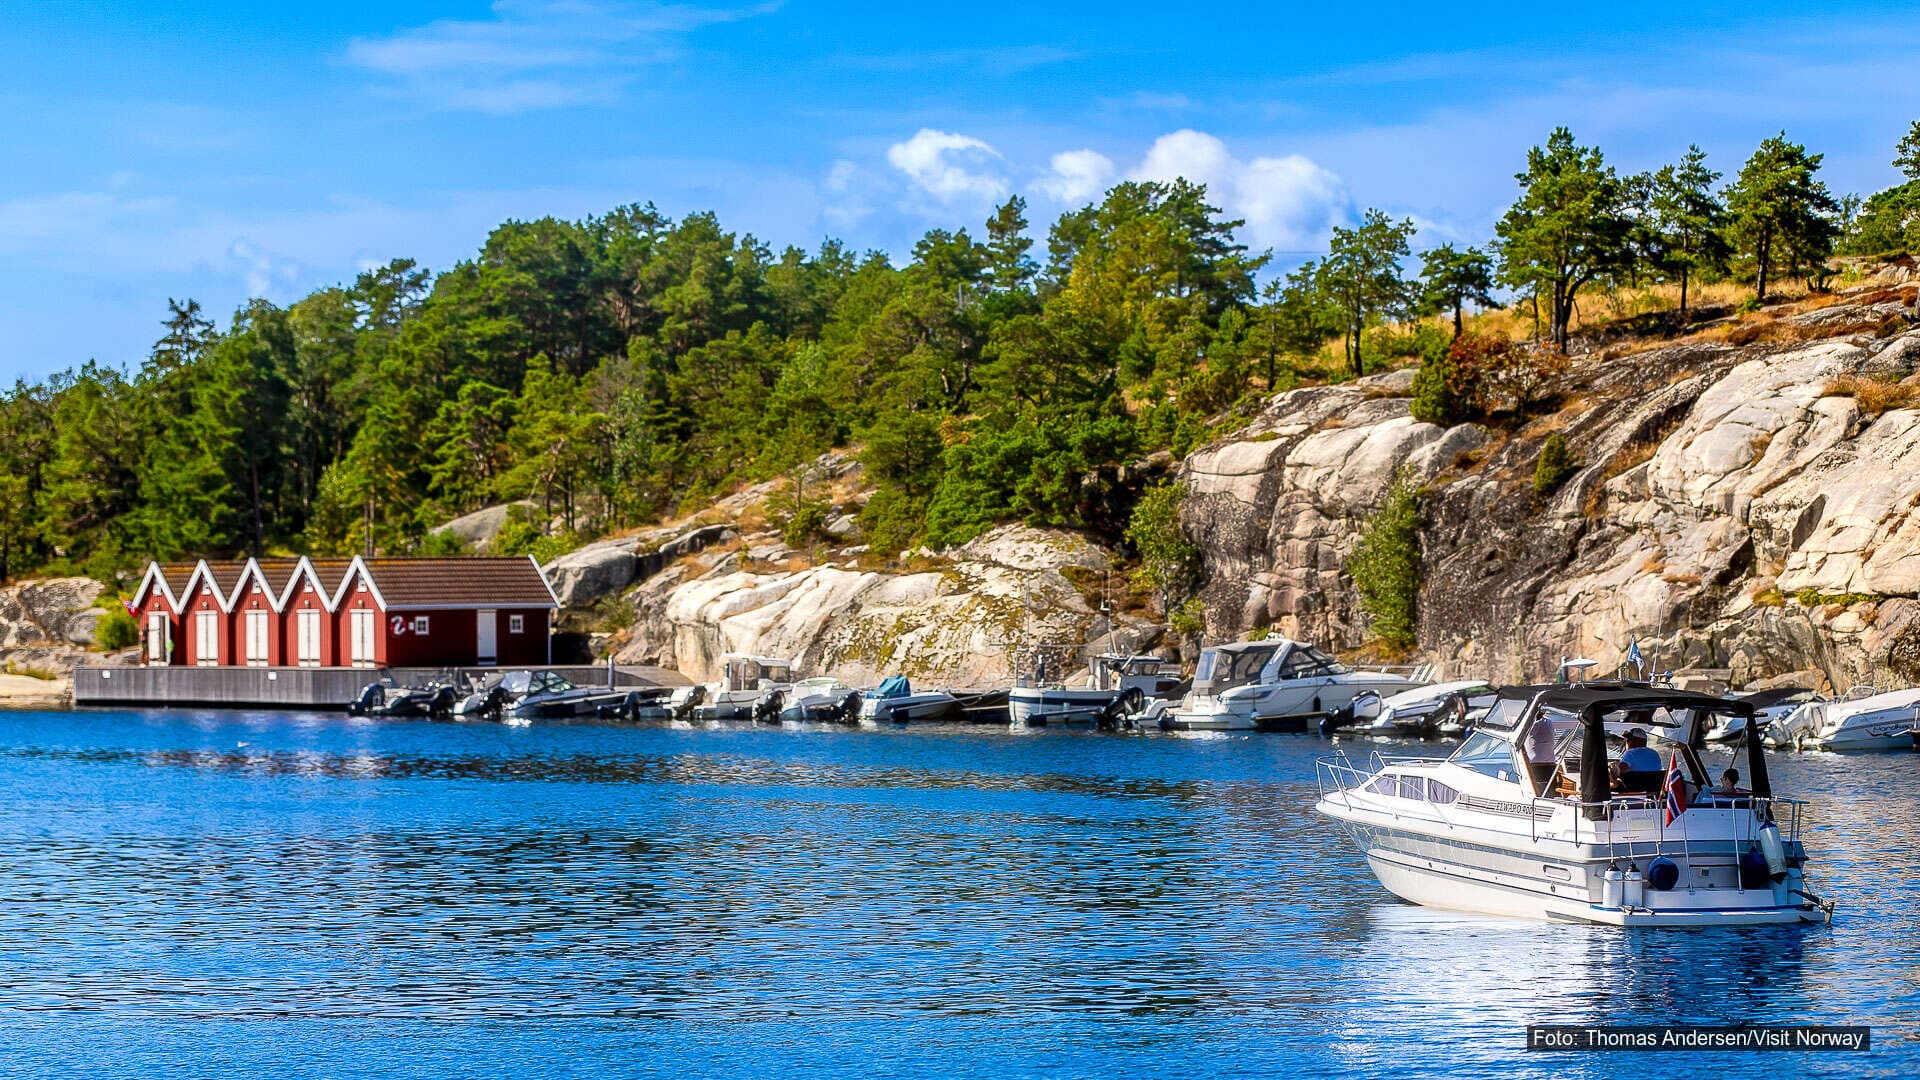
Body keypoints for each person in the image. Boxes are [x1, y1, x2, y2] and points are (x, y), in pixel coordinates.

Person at [1611, 727, 1664, 793]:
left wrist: (1611, 768)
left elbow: (1618, 772)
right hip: (1653, 792)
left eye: (1628, 740)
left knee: (1612, 782)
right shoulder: (1655, 753)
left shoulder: (1630, 753)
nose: (1626, 742)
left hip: (1633, 791)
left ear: (1634, 741)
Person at [1523, 717, 1559, 795]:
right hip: (1550, 764)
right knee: (1552, 791)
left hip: (1535, 764)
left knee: (1537, 791)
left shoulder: (1530, 723)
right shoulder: (1549, 722)